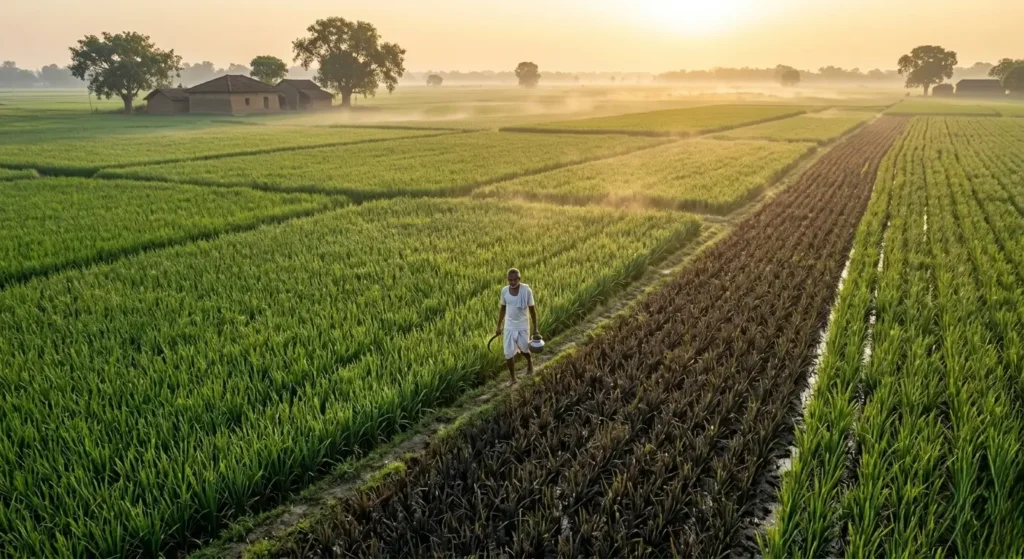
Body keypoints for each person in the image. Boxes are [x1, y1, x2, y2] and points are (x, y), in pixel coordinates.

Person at [496, 267, 539, 383]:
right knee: (508, 353)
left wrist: (536, 329)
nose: (512, 282)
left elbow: (532, 311)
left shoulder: (526, 291)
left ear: (519, 279)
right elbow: (502, 309)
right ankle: (513, 378)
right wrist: (498, 326)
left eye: (515, 280)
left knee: (524, 349)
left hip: (523, 325)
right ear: (507, 280)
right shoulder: (504, 291)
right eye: (510, 280)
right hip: (509, 326)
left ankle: (529, 362)